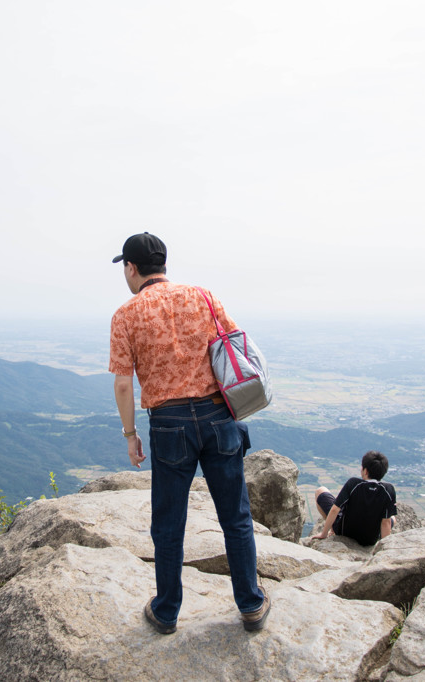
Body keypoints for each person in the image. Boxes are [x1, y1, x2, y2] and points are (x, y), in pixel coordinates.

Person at [109, 232, 270, 635]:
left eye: (124, 268)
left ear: (131, 268)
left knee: (168, 523)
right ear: (163, 263)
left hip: (168, 424)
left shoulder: (126, 314)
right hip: (219, 416)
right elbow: (234, 343)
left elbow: (124, 384)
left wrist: (130, 434)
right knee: (235, 517)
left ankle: (166, 611)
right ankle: (250, 604)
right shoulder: (203, 295)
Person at [311, 450, 396, 546]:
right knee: (392, 517)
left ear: (365, 470)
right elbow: (386, 522)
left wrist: (324, 534)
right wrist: (384, 548)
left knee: (320, 491)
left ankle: (333, 529)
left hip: (345, 533)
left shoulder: (354, 483)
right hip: (369, 540)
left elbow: (335, 509)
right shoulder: (389, 490)